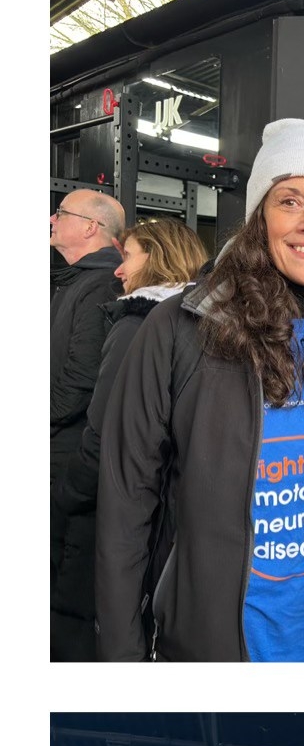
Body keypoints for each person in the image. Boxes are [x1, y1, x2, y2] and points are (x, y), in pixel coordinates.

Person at [95, 118, 304, 660]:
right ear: (258, 219)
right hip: (208, 653)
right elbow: (124, 508)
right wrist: (122, 666)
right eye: (290, 201)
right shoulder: (179, 329)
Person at [52, 218, 207, 661]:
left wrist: (66, 494)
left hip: (107, 511)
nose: (119, 272)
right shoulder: (198, 323)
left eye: (129, 257)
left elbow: (104, 433)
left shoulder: (136, 322)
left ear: (156, 258)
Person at [51, 190, 124, 494]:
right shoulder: (74, 280)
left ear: (90, 227)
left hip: (64, 453)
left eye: (61, 212)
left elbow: (80, 381)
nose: (52, 219)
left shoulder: (101, 285)